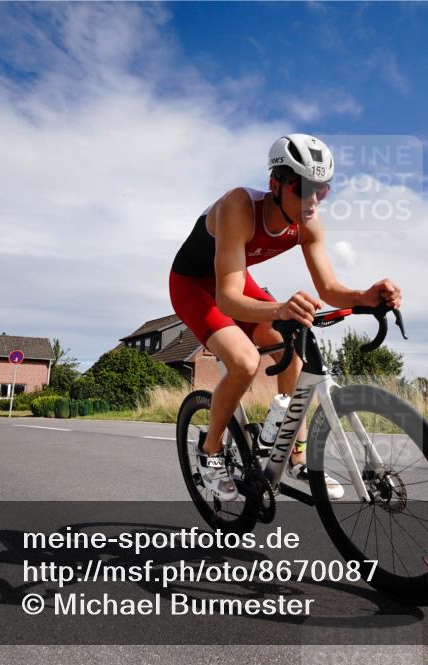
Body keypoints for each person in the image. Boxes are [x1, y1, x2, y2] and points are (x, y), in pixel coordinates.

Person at [169, 134, 402, 501]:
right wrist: (280, 308)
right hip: (194, 286)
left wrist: (364, 296)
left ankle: (293, 455)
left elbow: (328, 288)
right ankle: (210, 450)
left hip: (234, 279)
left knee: (294, 342)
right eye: (302, 188)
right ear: (275, 184)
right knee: (245, 361)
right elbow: (227, 299)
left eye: (321, 191)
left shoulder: (308, 220)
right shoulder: (239, 207)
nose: (312, 201)